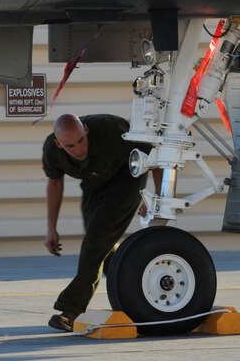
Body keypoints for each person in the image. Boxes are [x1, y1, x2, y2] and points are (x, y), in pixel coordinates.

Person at [42, 113, 160, 332]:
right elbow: (55, 184)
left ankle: (71, 310)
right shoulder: (52, 151)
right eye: (70, 146)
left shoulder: (111, 129)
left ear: (86, 129)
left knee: (95, 243)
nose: (78, 149)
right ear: (58, 144)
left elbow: (153, 157)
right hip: (95, 183)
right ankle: (136, 283)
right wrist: (51, 228)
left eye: (81, 140)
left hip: (127, 181)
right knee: (101, 248)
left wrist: (152, 198)